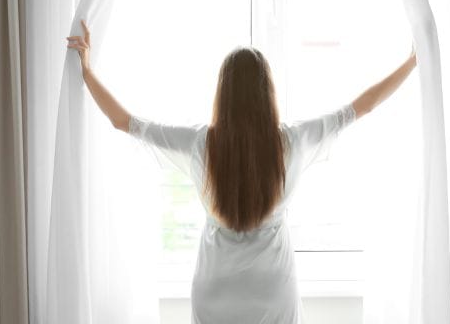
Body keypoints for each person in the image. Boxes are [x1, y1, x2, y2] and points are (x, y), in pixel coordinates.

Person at [67, 19, 417, 323]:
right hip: (272, 290)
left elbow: (124, 122)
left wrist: (87, 70)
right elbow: (360, 108)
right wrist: (413, 61)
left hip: (214, 291)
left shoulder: (201, 144)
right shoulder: (290, 143)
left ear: (223, 92)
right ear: (268, 94)